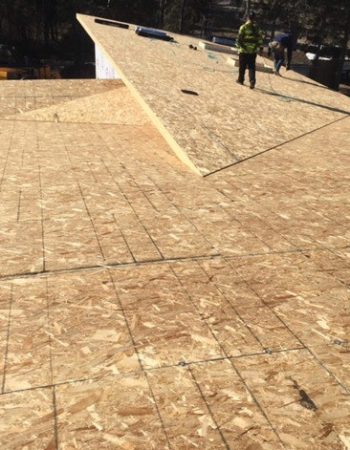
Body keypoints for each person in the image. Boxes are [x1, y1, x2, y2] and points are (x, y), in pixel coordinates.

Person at [236, 12, 264, 89]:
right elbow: (260, 40)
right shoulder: (257, 28)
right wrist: (260, 49)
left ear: (247, 18)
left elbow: (239, 39)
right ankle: (252, 81)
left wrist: (239, 47)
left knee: (242, 66)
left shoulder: (243, 27)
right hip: (253, 51)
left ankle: (240, 80)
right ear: (254, 18)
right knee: (251, 67)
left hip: (243, 50)